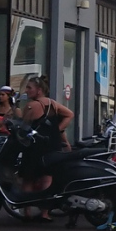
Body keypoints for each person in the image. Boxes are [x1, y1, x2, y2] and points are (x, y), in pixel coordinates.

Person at [18, 75, 74, 207]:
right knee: (47, 178)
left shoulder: (31, 106)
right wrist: (56, 130)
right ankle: (45, 211)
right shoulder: (53, 104)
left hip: (34, 146)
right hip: (52, 145)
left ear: (38, 90)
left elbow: (23, 125)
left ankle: (27, 210)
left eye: (29, 88)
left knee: (28, 178)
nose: (26, 90)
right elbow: (70, 114)